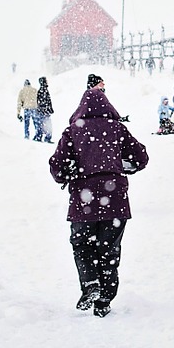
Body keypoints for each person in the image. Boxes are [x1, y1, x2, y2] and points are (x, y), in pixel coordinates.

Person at [49, 74, 148, 317]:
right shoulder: (117, 129)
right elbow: (141, 158)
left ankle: (90, 283)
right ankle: (104, 300)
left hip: (84, 201)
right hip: (115, 201)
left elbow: (57, 167)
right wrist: (122, 166)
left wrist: (69, 173)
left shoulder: (73, 130)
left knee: (82, 244)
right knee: (109, 249)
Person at [34, 76, 55, 142]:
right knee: (47, 125)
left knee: (41, 125)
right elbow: (47, 101)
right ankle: (46, 138)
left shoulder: (41, 90)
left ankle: (39, 137)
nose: (47, 82)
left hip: (42, 111)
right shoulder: (44, 90)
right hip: (45, 111)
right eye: (46, 80)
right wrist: (48, 109)